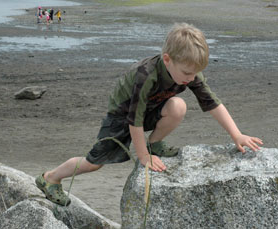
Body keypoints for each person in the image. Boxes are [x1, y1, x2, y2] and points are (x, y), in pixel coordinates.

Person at [35, 23, 263, 206]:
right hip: (122, 115)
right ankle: (51, 178)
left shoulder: (189, 72)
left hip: (153, 109)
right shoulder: (147, 74)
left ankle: (155, 144)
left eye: (195, 73)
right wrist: (143, 157)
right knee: (94, 163)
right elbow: (134, 119)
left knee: (178, 106)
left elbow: (212, 102)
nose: (191, 78)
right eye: (187, 73)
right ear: (167, 59)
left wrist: (237, 135)